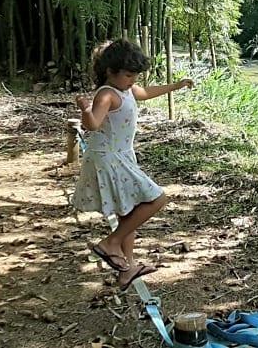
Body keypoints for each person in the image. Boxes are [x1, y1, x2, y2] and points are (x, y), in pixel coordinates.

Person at [72, 39, 193, 289]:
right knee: (157, 199)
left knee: (128, 212)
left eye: (136, 76)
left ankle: (126, 268)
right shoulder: (107, 94)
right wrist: (85, 110)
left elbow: (148, 93)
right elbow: (92, 125)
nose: (133, 80)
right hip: (108, 157)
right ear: (110, 72)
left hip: (121, 155)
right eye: (128, 75)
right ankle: (110, 243)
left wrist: (177, 85)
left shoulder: (126, 89)